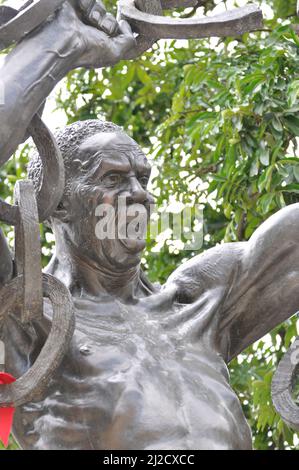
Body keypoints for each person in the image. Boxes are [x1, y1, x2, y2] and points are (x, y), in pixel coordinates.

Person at [0, 0, 298, 450]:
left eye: (143, 178)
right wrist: (59, 44)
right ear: (57, 203)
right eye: (113, 178)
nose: (139, 193)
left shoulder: (201, 302)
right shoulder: (26, 316)